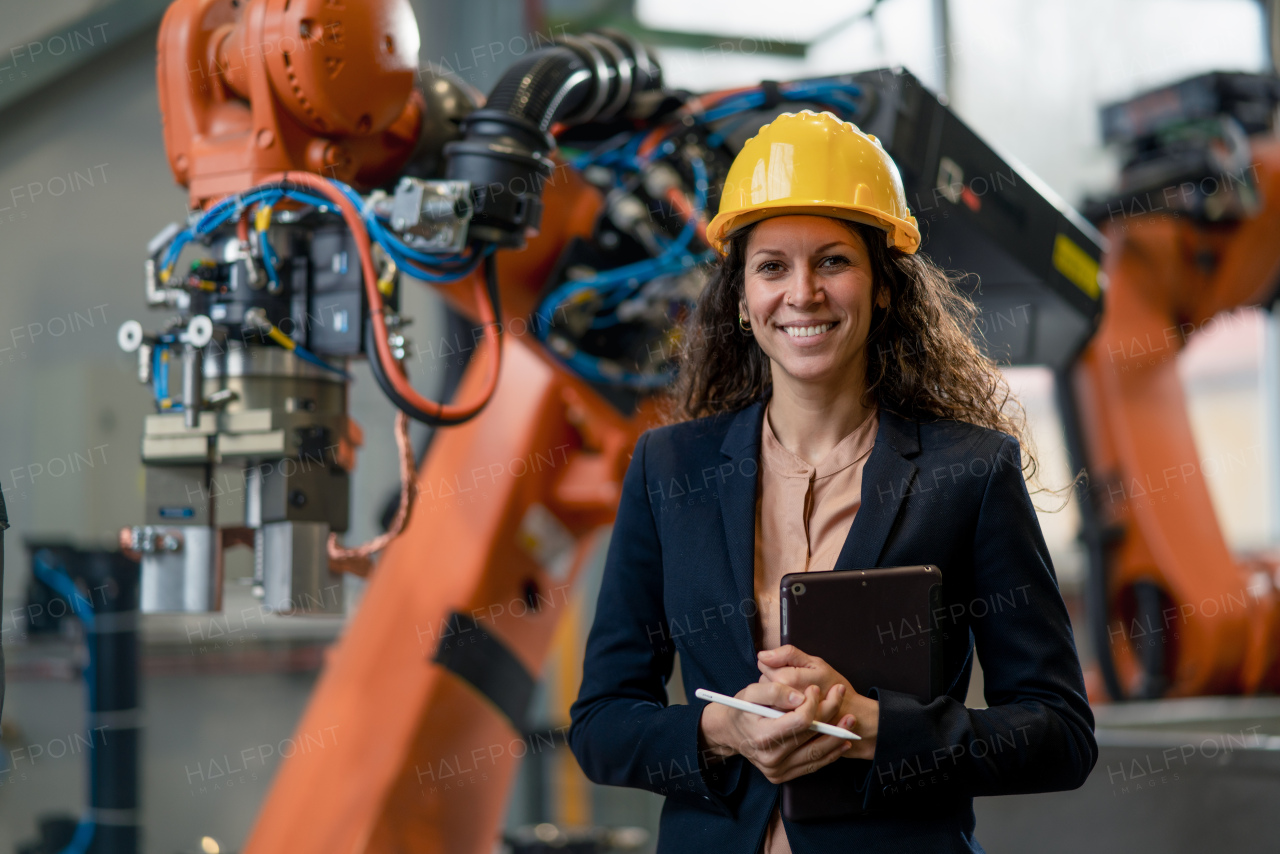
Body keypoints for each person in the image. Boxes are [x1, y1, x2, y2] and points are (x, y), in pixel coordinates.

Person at [568, 109, 1097, 854]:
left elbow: (1060, 735)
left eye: (834, 261)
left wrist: (872, 728)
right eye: (773, 266)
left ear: (883, 286)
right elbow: (600, 725)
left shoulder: (969, 472)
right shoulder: (669, 471)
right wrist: (725, 729)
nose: (803, 293)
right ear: (744, 301)